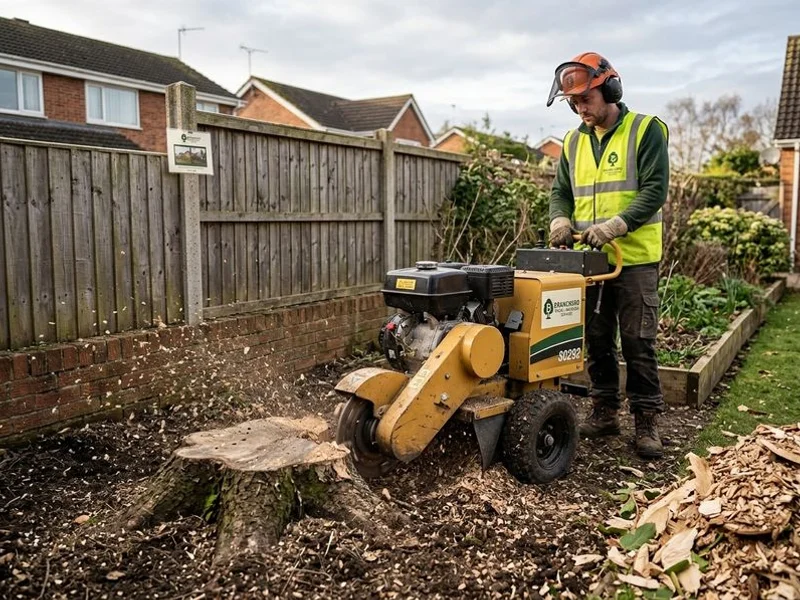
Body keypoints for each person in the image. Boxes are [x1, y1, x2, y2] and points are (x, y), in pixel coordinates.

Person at [546, 52, 669, 459]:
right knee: (596, 338)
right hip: (591, 260)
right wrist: (560, 222)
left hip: (633, 258)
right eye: (573, 102)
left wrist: (615, 226)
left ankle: (646, 420)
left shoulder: (645, 130)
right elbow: (560, 192)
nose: (580, 108)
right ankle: (604, 411)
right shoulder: (572, 142)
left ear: (611, 89)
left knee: (637, 340)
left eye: (586, 99)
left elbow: (654, 191)